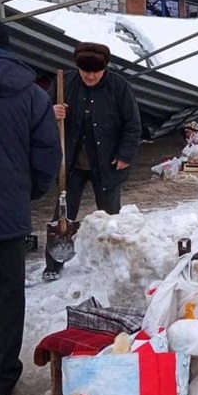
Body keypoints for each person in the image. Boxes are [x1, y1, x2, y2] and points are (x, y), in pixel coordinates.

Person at [0, 16, 61, 395]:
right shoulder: (33, 95)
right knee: (6, 297)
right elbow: (47, 153)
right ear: (7, 49)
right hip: (7, 213)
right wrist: (29, 192)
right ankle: (2, 377)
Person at [43, 42, 142, 281]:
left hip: (107, 162)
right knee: (63, 214)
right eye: (85, 71)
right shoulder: (64, 82)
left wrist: (125, 154)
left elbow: (132, 124)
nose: (89, 76)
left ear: (105, 68)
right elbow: (38, 113)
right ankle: (54, 261)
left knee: (110, 214)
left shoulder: (119, 86)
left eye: (95, 72)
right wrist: (51, 112)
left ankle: (113, 259)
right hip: (71, 164)